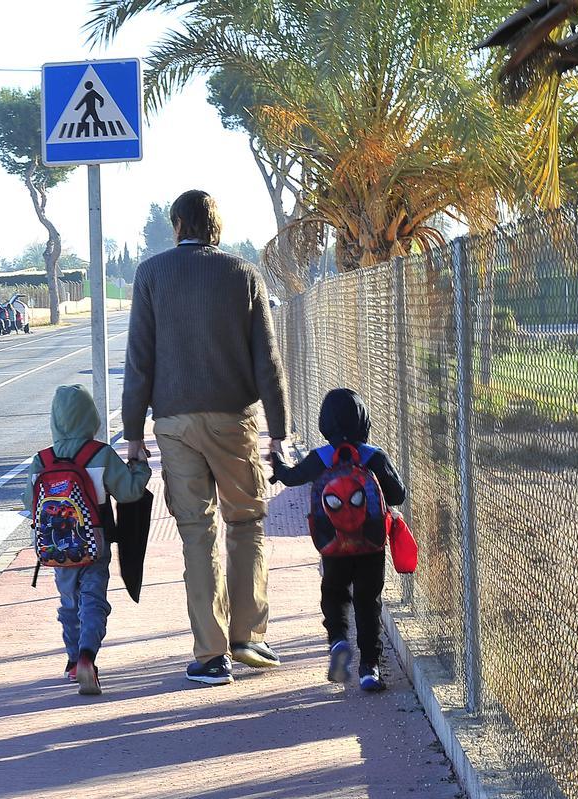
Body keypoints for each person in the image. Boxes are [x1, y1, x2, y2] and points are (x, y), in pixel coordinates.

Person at [121, 189, 288, 686]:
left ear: (177, 225)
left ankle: (211, 656)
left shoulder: (151, 274)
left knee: (197, 532)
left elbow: (139, 360)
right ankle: (249, 637)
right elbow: (268, 360)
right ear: (216, 225)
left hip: (174, 424)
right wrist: (278, 431)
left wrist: (133, 434)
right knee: (246, 522)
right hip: (234, 420)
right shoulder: (243, 273)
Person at [269, 388, 406, 692]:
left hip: (333, 545)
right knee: (367, 602)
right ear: (364, 422)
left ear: (324, 424)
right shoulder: (374, 456)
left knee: (334, 593)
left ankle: (338, 640)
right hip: (371, 544)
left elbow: (291, 478)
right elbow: (398, 495)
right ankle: (369, 668)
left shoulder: (321, 457)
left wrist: (277, 462)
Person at [25, 384, 152, 695]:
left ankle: (72, 661)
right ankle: (87, 656)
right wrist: (139, 467)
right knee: (93, 601)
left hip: (56, 547)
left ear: (55, 420)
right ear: (90, 417)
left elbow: (29, 502)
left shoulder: (42, 460)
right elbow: (129, 492)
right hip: (95, 544)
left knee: (69, 603)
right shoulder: (100, 454)